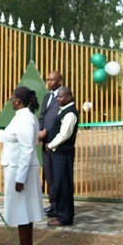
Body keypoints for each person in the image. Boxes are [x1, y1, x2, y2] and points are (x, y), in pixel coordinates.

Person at [0, 86, 43, 245]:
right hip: (18, 169)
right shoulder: (22, 117)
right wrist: (0, 134)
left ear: (18, 100)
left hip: (20, 171)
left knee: (23, 211)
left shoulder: (25, 118)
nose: (10, 100)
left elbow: (27, 149)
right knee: (23, 211)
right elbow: (15, 137)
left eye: (12, 98)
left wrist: (20, 178)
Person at [45, 86, 78, 227]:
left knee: (63, 185)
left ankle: (64, 217)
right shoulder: (64, 110)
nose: (58, 98)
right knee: (59, 183)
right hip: (58, 154)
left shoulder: (70, 113)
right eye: (57, 96)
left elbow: (64, 134)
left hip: (63, 154)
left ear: (69, 97)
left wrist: (50, 145)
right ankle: (60, 212)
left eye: (61, 96)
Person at [38, 71, 63, 217]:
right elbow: (42, 116)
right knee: (49, 175)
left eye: (52, 80)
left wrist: (47, 131)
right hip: (45, 142)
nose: (49, 82)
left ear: (60, 81)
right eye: (47, 80)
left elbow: (57, 119)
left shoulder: (63, 96)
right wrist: (41, 131)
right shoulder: (47, 97)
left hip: (56, 141)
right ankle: (53, 204)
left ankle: (59, 205)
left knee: (57, 175)